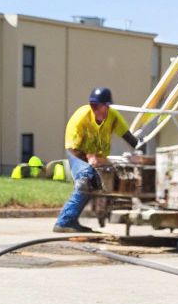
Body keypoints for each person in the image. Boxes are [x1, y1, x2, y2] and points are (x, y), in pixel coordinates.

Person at [55, 86, 142, 234]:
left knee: (109, 179)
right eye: (93, 106)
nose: (95, 109)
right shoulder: (81, 117)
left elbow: (129, 137)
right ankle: (64, 222)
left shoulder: (113, 117)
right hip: (77, 154)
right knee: (86, 177)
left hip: (99, 157)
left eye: (98, 106)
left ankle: (85, 215)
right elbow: (71, 148)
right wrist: (88, 157)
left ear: (107, 107)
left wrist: (141, 153)